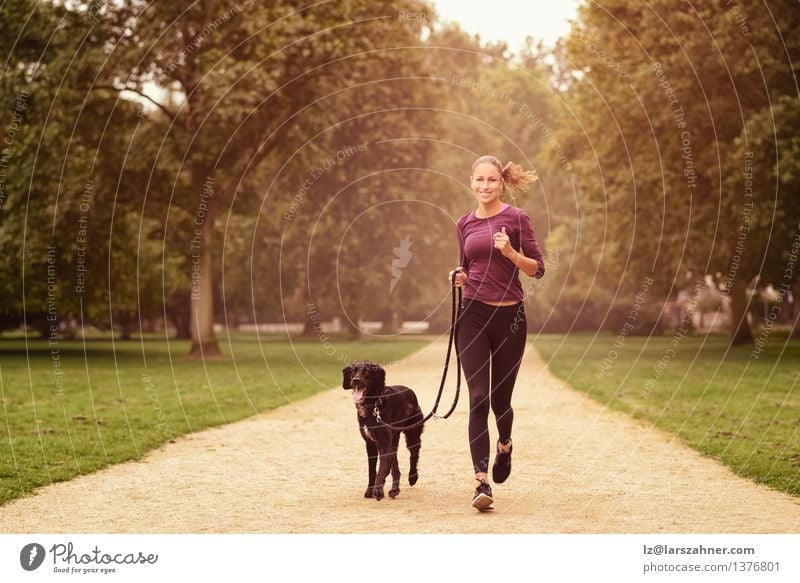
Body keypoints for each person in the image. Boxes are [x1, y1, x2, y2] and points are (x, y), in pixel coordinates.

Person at [450, 155, 545, 512]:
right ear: (471, 182)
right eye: (479, 180)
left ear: (501, 183)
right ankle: (480, 482)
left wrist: (510, 252)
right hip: (472, 316)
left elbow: (538, 269)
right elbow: (466, 265)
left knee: (501, 402)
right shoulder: (464, 223)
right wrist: (458, 277)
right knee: (478, 399)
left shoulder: (517, 219)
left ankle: (504, 445)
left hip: (510, 319)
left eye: (491, 180)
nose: (485, 186)